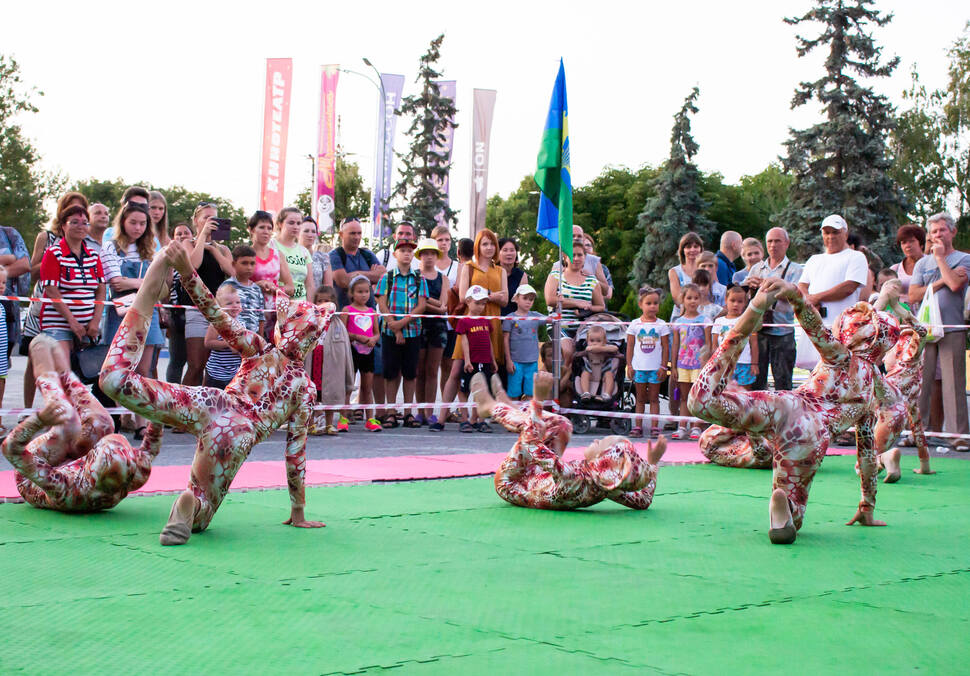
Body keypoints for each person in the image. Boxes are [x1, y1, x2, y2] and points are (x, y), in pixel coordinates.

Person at [100, 242, 334, 546]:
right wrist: (298, 511)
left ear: (282, 328)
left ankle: (143, 297)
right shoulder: (304, 389)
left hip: (213, 403)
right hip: (237, 433)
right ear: (312, 341)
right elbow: (295, 453)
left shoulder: (258, 347)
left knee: (116, 381)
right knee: (202, 513)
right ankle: (192, 503)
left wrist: (186, 271)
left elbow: (214, 313)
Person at [690, 278, 900, 544]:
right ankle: (784, 507)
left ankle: (748, 316)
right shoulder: (870, 390)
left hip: (786, 405)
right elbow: (867, 451)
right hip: (809, 432)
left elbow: (814, 329)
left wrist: (796, 297)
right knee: (788, 525)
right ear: (882, 349)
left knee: (701, 402)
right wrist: (867, 505)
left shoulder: (841, 355)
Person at [3, 334, 162, 512]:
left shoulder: (67, 489)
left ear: (90, 459)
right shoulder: (137, 471)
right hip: (89, 472)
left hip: (32, 478)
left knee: (67, 422)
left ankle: (45, 371)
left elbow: (11, 449)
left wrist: (39, 420)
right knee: (103, 425)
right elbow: (150, 448)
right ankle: (65, 374)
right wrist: (157, 418)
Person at [474, 371, 667, 510]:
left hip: (512, 482)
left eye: (601, 444)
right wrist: (652, 463)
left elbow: (530, 443)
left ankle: (490, 407)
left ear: (601, 462)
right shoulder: (607, 485)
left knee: (535, 427)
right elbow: (643, 500)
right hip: (538, 475)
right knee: (563, 425)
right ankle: (509, 409)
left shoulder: (572, 477)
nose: (597, 440)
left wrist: (539, 399)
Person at [100, 202, 167, 439]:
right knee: (117, 369)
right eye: (133, 222)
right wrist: (143, 283)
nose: (138, 228)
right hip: (120, 313)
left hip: (149, 313)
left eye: (142, 223)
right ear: (122, 223)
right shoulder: (110, 247)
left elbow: (162, 287)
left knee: (144, 370)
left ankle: (142, 423)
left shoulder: (152, 250)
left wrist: (136, 283)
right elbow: (115, 283)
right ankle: (114, 420)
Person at [909, 212, 970, 451]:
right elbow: (913, 295)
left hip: (952, 327)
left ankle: (958, 436)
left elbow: (956, 285)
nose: (937, 235)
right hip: (926, 329)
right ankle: (917, 432)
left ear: (952, 232)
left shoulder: (964, 259)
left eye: (942, 230)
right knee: (921, 382)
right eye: (933, 232)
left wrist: (942, 260)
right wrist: (942, 281)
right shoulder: (922, 264)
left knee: (953, 382)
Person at [330, 217, 386, 420]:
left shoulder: (367, 253)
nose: (356, 237)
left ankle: (368, 413)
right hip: (347, 320)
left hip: (369, 320)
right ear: (341, 234)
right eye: (352, 233)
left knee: (371, 371)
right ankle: (346, 413)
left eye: (359, 233)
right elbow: (342, 280)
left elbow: (382, 275)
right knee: (348, 373)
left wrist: (355, 273)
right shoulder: (336, 255)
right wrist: (365, 275)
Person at [37, 205, 106, 361]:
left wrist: (96, 321)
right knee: (62, 370)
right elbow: (51, 290)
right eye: (74, 222)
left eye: (84, 223)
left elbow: (101, 289)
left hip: (88, 328)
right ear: (63, 226)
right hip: (58, 324)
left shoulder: (94, 255)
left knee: (83, 373)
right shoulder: (54, 253)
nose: (80, 226)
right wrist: (72, 322)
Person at [177, 203, 233, 386]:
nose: (212, 222)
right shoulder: (188, 243)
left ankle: (204, 407)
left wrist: (214, 249)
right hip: (196, 310)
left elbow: (232, 272)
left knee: (211, 366)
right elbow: (193, 265)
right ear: (196, 221)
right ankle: (183, 406)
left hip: (217, 312)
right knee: (195, 364)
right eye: (207, 218)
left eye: (215, 219)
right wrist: (202, 238)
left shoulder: (223, 249)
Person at [375, 239, 428, 429]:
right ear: (395, 254)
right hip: (389, 332)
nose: (406, 254)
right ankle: (390, 412)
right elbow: (382, 303)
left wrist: (401, 324)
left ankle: (407, 413)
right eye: (402, 250)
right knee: (390, 372)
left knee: (410, 373)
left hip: (412, 331)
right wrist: (393, 325)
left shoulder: (418, 278)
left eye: (409, 251)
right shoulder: (387, 277)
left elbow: (421, 305)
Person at [744, 227, 802, 391]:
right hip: (759, 331)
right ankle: (759, 416)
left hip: (783, 331)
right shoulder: (756, 268)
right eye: (770, 241)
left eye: (777, 241)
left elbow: (797, 298)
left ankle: (784, 417)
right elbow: (746, 301)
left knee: (783, 383)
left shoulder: (796, 270)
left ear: (787, 243)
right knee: (756, 382)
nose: (773, 245)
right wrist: (750, 289)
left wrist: (766, 287)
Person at [797, 214, 869, 327]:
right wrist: (808, 301)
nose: (831, 236)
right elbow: (802, 285)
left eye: (835, 232)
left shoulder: (856, 257)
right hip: (813, 326)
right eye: (827, 233)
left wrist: (815, 298)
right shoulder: (813, 260)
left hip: (842, 327)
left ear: (846, 234)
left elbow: (848, 288)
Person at [543, 244, 603, 368]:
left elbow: (601, 307)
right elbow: (550, 300)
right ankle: (561, 385)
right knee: (568, 351)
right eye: (572, 255)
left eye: (579, 255)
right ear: (565, 257)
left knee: (592, 353)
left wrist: (588, 308)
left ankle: (576, 383)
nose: (575, 258)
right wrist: (576, 303)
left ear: (585, 258)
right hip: (560, 325)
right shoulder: (555, 276)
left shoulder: (592, 281)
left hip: (584, 328)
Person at [626, 287, 670, 439]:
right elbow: (630, 346)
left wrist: (664, 366)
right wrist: (630, 365)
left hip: (655, 369)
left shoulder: (662, 325)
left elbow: (665, 347)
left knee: (654, 398)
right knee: (639, 398)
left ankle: (654, 427)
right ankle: (637, 426)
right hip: (639, 368)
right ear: (640, 304)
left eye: (655, 303)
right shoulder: (634, 325)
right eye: (649, 303)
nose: (652, 306)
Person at [414, 238, 450, 427]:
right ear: (420, 255)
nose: (429, 257)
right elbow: (415, 304)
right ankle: (419, 411)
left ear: (437, 256)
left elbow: (444, 306)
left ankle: (430, 411)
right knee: (419, 370)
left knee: (432, 371)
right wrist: (429, 303)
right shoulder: (414, 276)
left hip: (437, 328)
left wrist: (427, 303)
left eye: (432, 253)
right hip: (418, 326)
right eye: (425, 253)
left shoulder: (442, 278)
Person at [309, 286, 354, 436]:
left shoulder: (338, 324)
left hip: (331, 364)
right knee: (312, 395)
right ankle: (311, 424)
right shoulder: (310, 322)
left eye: (327, 301)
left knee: (330, 394)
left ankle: (329, 423)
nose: (323, 304)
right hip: (314, 361)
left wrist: (347, 375)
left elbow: (345, 350)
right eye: (320, 301)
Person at [456, 285, 499, 433]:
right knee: (464, 389)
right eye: (477, 302)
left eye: (483, 303)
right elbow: (464, 341)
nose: (480, 306)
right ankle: (464, 419)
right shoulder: (464, 321)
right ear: (468, 301)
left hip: (485, 361)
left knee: (483, 391)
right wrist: (467, 360)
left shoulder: (485, 321)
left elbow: (489, 341)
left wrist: (493, 360)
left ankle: (480, 420)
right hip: (471, 361)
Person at [343, 275, 382, 433]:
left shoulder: (372, 312)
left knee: (367, 386)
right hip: (352, 351)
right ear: (352, 293)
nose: (364, 295)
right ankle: (343, 417)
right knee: (348, 386)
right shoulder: (347, 310)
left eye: (366, 291)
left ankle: (370, 418)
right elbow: (342, 331)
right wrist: (357, 337)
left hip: (368, 351)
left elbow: (377, 333)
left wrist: (373, 339)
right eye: (359, 292)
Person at [670, 283, 709, 440]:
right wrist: (673, 366)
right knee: (684, 397)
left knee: (697, 397)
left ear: (700, 300)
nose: (692, 301)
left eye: (696, 298)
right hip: (683, 365)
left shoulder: (705, 320)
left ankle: (696, 427)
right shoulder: (678, 322)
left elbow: (708, 344)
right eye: (689, 298)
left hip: (698, 365)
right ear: (682, 300)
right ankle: (682, 426)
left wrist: (706, 363)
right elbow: (675, 346)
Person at [502, 284, 545, 400]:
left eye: (531, 299)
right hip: (515, 362)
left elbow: (553, 319)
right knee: (513, 394)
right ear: (516, 299)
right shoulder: (509, 318)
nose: (528, 302)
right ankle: (515, 416)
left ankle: (528, 416)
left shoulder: (536, 316)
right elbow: (505, 339)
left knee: (531, 394)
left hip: (532, 362)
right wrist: (508, 361)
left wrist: (558, 303)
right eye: (525, 298)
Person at [712, 285, 759, 390]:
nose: (735, 304)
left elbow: (754, 344)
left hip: (744, 364)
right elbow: (714, 344)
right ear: (726, 300)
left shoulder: (749, 321)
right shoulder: (719, 321)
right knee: (725, 394)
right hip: (724, 364)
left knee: (744, 396)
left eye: (740, 301)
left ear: (745, 303)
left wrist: (754, 363)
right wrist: (715, 363)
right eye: (732, 300)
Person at [165, 223, 195, 386]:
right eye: (178, 234)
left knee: (195, 362)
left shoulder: (197, 256)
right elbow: (167, 287)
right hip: (177, 315)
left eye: (186, 233)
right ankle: (172, 393)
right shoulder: (169, 260)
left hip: (197, 313)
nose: (182, 236)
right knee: (177, 359)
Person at [0, 221, 30, 369]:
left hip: (6, 312)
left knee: (2, 368)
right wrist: (7, 260)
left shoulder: (9, 234)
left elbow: (24, 264)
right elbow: (12, 259)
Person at [203, 285, 243, 390]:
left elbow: (240, 347)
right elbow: (208, 342)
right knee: (213, 401)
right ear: (220, 307)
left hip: (235, 372)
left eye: (238, 302)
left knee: (230, 402)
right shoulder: (217, 323)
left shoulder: (241, 323)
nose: (235, 306)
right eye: (229, 303)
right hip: (216, 373)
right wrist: (228, 343)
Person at [273, 207, 315, 303]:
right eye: (291, 223)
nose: (295, 226)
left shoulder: (304, 251)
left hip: (300, 305)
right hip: (277, 304)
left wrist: (309, 306)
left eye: (299, 223)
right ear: (280, 224)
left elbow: (310, 285)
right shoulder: (271, 246)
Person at [222, 245, 265, 336]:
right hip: (232, 339)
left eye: (252, 263)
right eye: (244, 263)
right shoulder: (227, 286)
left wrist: (261, 341)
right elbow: (222, 315)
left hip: (253, 340)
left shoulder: (257, 289)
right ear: (234, 264)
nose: (249, 267)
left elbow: (261, 317)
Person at [576, 325, 619, 402]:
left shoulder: (607, 347)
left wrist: (602, 349)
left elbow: (615, 349)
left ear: (605, 341)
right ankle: (586, 392)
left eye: (598, 341)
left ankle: (607, 394)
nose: (595, 343)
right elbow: (584, 351)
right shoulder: (586, 347)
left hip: (604, 371)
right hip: (590, 370)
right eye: (592, 341)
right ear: (587, 340)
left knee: (609, 375)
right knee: (584, 374)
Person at [669, 232, 703, 322]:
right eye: (688, 247)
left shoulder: (705, 270)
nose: (692, 250)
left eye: (696, 246)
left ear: (700, 249)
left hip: (703, 315)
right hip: (682, 316)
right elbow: (677, 298)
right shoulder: (674, 271)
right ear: (682, 250)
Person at [889, 224, 926, 299]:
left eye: (912, 241)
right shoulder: (895, 269)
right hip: (901, 310)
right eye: (904, 242)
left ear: (921, 243)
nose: (908, 245)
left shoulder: (932, 264)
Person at [300, 216, 334, 292]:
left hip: (318, 301)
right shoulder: (291, 256)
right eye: (306, 231)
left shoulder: (323, 257)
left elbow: (328, 288)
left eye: (313, 231)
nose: (310, 235)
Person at [498, 237, 529, 315]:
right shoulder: (491, 272)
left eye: (512, 250)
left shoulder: (521, 275)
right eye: (505, 250)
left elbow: (524, 302)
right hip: (493, 318)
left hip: (513, 323)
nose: (509, 253)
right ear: (498, 253)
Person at [582, 233, 614, 300]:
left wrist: (590, 278)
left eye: (588, 245)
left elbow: (608, 295)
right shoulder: (566, 266)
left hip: (598, 309)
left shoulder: (603, 268)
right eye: (582, 245)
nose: (586, 248)